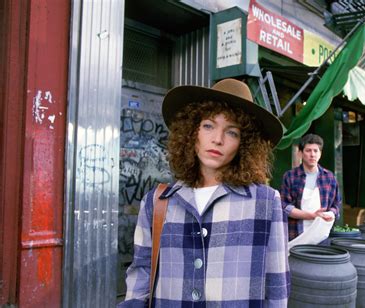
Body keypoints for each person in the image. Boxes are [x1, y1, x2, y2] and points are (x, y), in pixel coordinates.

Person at [118, 78, 290, 307]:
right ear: (192, 131)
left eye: (232, 132)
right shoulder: (157, 201)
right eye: (208, 126)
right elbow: (140, 276)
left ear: (245, 143)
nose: (217, 139)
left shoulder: (266, 203)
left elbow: (276, 286)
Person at [280, 134, 341, 241]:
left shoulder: (329, 177)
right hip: (296, 235)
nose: (312, 154)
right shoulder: (290, 176)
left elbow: (336, 204)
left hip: (322, 236)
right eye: (308, 151)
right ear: (300, 153)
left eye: (315, 151)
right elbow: (284, 207)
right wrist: (312, 215)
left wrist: (330, 213)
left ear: (320, 154)